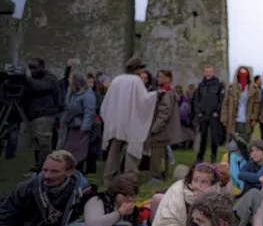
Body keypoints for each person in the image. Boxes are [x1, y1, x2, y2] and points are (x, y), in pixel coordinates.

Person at [0, 150, 91, 226]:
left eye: (54, 171)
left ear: (69, 172)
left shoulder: (83, 194)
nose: (47, 176)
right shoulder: (26, 189)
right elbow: (5, 217)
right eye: (45, 170)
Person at [100, 56, 158, 185]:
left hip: (117, 121)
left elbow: (107, 101)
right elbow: (144, 100)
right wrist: (156, 95)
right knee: (132, 149)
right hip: (131, 121)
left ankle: (109, 177)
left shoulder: (117, 80)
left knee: (114, 150)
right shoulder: (136, 81)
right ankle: (129, 178)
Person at [83, 173, 153, 226]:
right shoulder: (98, 200)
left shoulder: (132, 210)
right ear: (115, 192)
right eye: (125, 195)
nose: (130, 199)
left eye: (132, 195)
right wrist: (119, 213)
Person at [146, 70, 182, 186]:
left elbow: (164, 113)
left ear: (168, 79)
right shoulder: (165, 92)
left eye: (161, 77)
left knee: (156, 154)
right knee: (164, 153)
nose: (158, 79)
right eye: (157, 76)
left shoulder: (167, 94)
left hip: (161, 130)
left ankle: (156, 177)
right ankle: (164, 174)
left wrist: (154, 128)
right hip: (164, 130)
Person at [24, 58, 60, 171]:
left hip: (45, 116)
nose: (32, 71)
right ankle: (39, 166)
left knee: (44, 144)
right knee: (37, 144)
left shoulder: (50, 79)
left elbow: (38, 87)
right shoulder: (33, 80)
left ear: (42, 67)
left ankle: (50, 167)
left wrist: (23, 77)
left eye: (35, 68)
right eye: (30, 68)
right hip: (35, 116)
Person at [60, 73, 97, 171]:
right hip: (71, 126)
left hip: (80, 128)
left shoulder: (88, 95)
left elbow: (89, 113)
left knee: (79, 152)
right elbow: (68, 106)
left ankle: (78, 171)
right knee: (69, 150)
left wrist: (84, 129)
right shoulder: (73, 93)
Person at [192, 65, 225, 163]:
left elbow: (221, 100)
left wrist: (217, 111)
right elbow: (196, 100)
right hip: (203, 115)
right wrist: (198, 112)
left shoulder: (218, 85)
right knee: (203, 137)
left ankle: (213, 156)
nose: (208, 73)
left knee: (214, 137)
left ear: (213, 73)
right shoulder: (200, 85)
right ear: (203, 73)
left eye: (210, 71)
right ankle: (200, 157)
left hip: (214, 115)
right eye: (206, 71)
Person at [221, 66, 262, 137]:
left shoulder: (255, 89)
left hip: (247, 120)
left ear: (248, 75)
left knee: (245, 141)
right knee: (233, 143)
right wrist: (224, 118)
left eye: (245, 74)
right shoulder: (231, 87)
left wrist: (254, 118)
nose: (243, 76)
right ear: (237, 74)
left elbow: (257, 104)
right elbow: (225, 104)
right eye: (241, 73)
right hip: (233, 119)